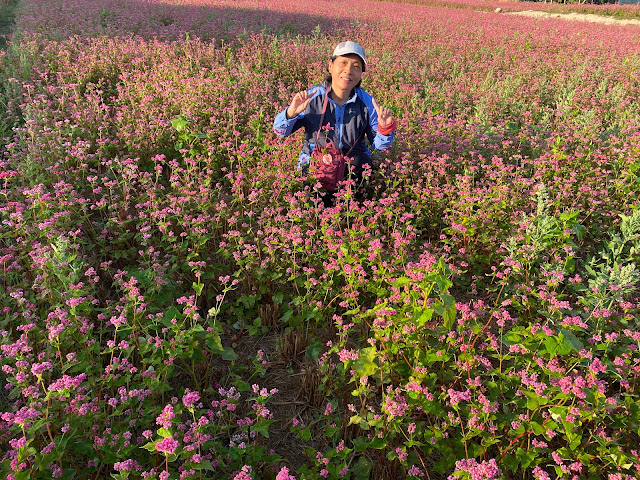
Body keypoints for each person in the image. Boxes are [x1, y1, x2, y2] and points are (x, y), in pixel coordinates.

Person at [273, 41, 397, 204]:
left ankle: (350, 204)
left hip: (351, 167)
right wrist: (291, 113)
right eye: (343, 63)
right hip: (316, 163)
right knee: (311, 202)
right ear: (330, 66)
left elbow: (379, 145)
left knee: (360, 165)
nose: (348, 71)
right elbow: (280, 131)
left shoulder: (367, 102)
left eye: (356, 66)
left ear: (361, 74)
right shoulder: (312, 96)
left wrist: (385, 129)